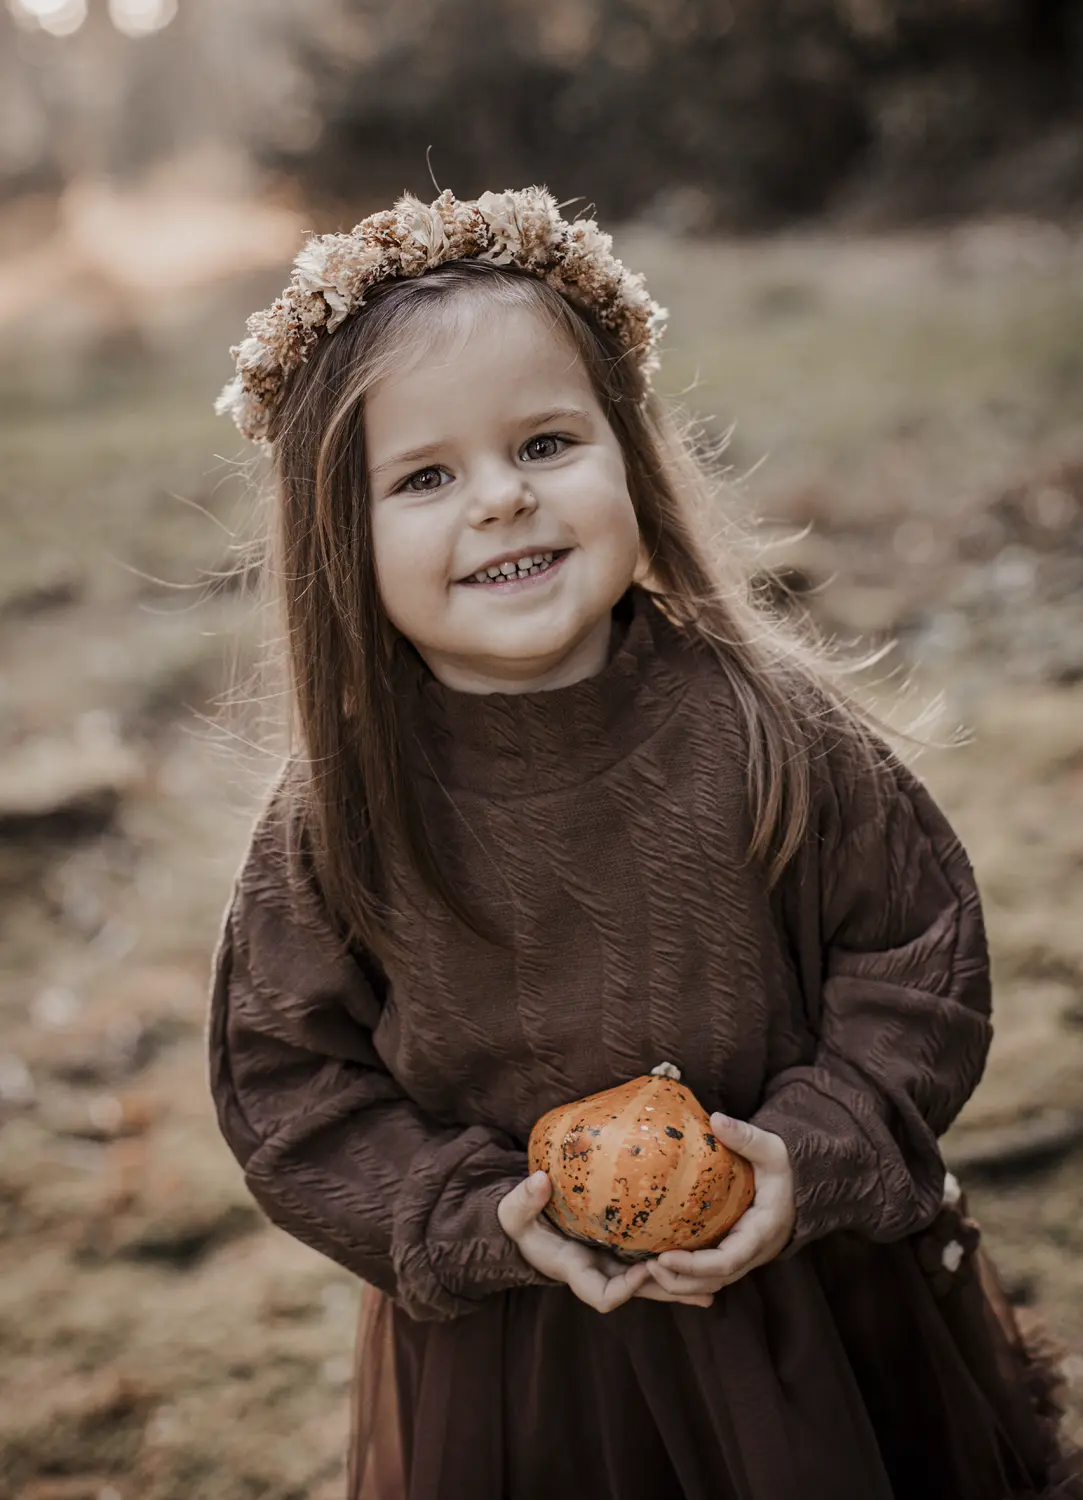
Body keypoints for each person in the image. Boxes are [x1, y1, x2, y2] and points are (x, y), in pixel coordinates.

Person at [207, 188, 1080, 1500]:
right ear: (342, 533)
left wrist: (824, 1141)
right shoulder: (341, 816)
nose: (500, 500)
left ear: (628, 453)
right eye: (427, 476)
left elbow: (914, 953)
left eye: (545, 443)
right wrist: (463, 1215)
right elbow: (287, 1087)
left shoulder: (767, 724)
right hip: (534, 1361)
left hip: (814, 1314)